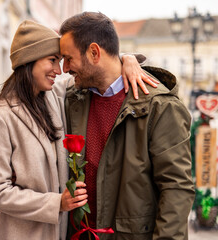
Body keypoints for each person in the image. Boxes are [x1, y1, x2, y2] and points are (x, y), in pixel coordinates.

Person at [0, 20, 153, 240]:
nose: (59, 70)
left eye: (62, 60)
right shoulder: (1, 116)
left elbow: (100, 66)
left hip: (58, 233)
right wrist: (56, 203)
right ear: (28, 61)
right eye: (53, 60)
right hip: (19, 233)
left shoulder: (56, 96)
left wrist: (126, 60)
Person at [58, 12, 195, 240]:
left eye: (68, 58)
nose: (64, 68)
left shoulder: (160, 107)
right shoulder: (72, 99)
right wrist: (126, 58)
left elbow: (176, 189)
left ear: (94, 53)